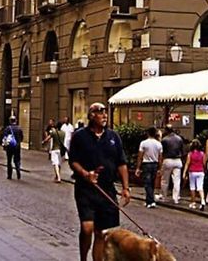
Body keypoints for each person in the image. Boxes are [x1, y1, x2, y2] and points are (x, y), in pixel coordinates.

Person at [69, 102, 130, 261]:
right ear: (91, 116)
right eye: (100, 112)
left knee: (101, 233)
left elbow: (121, 163)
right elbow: (73, 160)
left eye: (105, 113)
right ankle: (83, 258)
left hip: (107, 190)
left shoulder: (113, 137)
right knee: (87, 227)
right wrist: (84, 173)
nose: (104, 116)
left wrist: (125, 188)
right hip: (86, 189)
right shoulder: (80, 136)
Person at [135, 126, 163, 208]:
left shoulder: (143, 143)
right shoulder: (159, 144)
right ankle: (149, 200)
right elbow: (160, 157)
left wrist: (138, 167)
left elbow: (140, 156)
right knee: (152, 182)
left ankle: (151, 201)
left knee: (147, 183)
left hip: (146, 164)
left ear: (148, 133)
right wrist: (160, 168)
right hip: (155, 164)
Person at [160, 124, 184, 204]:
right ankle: (176, 198)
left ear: (166, 130)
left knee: (165, 180)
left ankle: (164, 196)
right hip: (177, 160)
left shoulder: (164, 140)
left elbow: (162, 152)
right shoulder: (179, 139)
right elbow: (182, 150)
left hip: (168, 160)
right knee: (177, 180)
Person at [182, 139, 206, 210]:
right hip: (201, 171)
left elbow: (187, 164)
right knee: (200, 187)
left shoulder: (190, 154)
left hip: (192, 171)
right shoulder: (202, 154)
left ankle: (193, 202)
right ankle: (202, 201)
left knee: (192, 187)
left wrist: (184, 172)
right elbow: (204, 163)